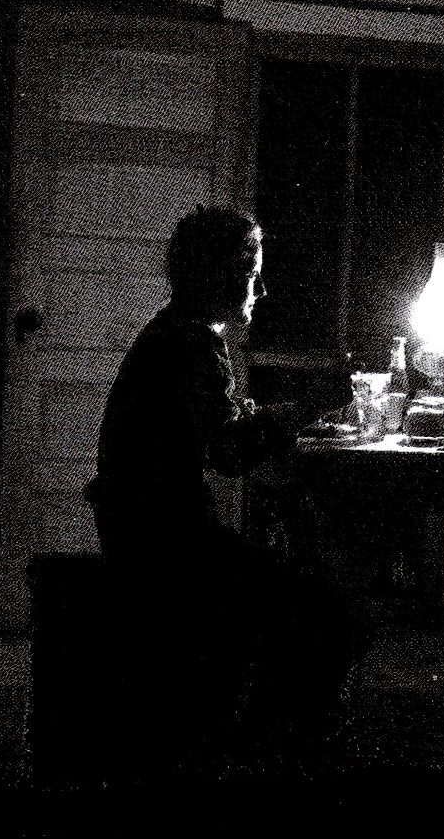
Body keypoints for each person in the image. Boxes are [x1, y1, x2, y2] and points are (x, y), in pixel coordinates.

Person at [84, 205, 369, 781]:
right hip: (165, 547)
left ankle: (257, 738)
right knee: (329, 609)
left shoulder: (178, 335)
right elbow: (230, 452)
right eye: (249, 270)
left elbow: (219, 425)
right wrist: (315, 406)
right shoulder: (189, 347)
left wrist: (273, 416)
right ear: (211, 272)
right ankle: (269, 748)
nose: (260, 288)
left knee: (302, 593)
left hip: (144, 533)